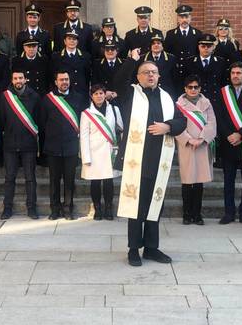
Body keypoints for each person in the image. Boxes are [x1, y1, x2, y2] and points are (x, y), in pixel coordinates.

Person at [115, 60, 187, 267]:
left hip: (159, 160)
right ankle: (133, 249)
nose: (150, 76)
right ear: (138, 77)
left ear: (159, 76)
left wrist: (168, 126)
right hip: (136, 161)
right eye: (145, 72)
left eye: (154, 72)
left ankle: (152, 248)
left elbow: (182, 121)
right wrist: (131, 60)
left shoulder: (166, 98)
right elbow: (118, 79)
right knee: (136, 206)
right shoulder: (130, 94)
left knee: (156, 205)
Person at [215, 62, 242, 225]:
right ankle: (229, 212)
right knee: (228, 180)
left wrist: (240, 134)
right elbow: (218, 116)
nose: (235, 75)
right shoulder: (223, 93)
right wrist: (228, 134)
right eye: (233, 73)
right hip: (229, 143)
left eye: (239, 73)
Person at [40, 70, 84, 220]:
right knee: (54, 180)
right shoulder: (47, 99)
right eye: (61, 80)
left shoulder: (78, 98)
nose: (64, 82)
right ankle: (54, 209)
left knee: (69, 181)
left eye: (66, 79)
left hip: (71, 147)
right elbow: (42, 122)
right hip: (53, 147)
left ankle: (68, 209)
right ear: (56, 82)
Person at [0, 68, 41, 219]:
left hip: (28, 144)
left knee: (30, 178)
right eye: (15, 78)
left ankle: (32, 208)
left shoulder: (35, 97)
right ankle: (7, 208)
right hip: (10, 144)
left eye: (20, 78)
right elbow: (1, 119)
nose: (18, 81)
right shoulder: (5, 97)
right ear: (12, 80)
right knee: (9, 178)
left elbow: (38, 120)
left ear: (25, 79)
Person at [175, 75, 217, 225]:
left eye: (196, 87)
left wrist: (202, 138)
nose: (193, 90)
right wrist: (188, 139)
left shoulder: (206, 103)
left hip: (201, 146)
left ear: (200, 88)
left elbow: (212, 123)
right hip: (186, 145)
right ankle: (186, 214)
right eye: (190, 87)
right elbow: (175, 125)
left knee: (199, 182)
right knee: (187, 181)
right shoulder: (178, 104)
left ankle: (197, 214)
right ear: (185, 88)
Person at [80, 84, 123, 220]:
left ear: (105, 94)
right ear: (91, 96)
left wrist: (121, 149)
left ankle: (109, 208)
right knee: (95, 183)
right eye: (95, 94)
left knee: (109, 182)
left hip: (110, 151)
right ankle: (98, 208)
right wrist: (86, 157)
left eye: (101, 93)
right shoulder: (86, 113)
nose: (99, 96)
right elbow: (84, 136)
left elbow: (121, 128)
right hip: (94, 153)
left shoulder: (115, 110)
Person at [50, 29, 91, 104]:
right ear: (65, 41)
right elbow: (52, 76)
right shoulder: (56, 57)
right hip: (63, 94)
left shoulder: (85, 56)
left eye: (74, 39)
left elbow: (87, 76)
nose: (72, 41)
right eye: (69, 39)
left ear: (77, 42)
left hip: (81, 94)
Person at [186, 33, 225, 106]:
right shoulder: (189, 62)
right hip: (195, 100)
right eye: (203, 46)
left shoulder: (220, 62)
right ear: (198, 47)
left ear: (213, 47)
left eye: (209, 46)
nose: (206, 48)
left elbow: (223, 82)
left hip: (215, 100)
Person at [140, 32, 176, 97]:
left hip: (166, 92)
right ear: (150, 46)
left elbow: (175, 78)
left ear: (162, 46)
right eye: (153, 43)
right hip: (147, 93)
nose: (156, 45)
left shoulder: (171, 59)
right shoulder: (142, 59)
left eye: (158, 43)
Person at [212, 18, 239, 82]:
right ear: (217, 30)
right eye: (221, 29)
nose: (223, 31)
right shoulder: (213, 43)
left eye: (226, 29)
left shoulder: (235, 43)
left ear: (229, 30)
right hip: (216, 72)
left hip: (230, 73)